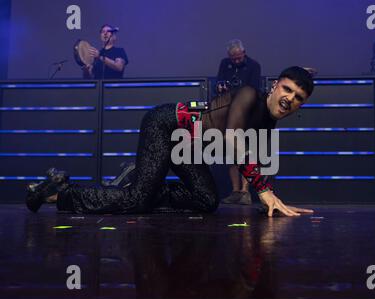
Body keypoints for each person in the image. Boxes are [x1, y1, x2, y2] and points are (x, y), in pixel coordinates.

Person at [26, 66, 315, 218]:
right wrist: (263, 189)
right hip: (166, 126)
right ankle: (59, 192)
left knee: (206, 200)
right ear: (276, 85)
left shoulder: (269, 120)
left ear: (302, 105)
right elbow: (231, 138)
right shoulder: (250, 94)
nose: (289, 99)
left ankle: (141, 180)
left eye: (298, 97)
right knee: (136, 201)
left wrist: (273, 202)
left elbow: (257, 161)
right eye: (287, 89)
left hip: (187, 149)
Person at [216, 39, 262, 205]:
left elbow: (254, 90)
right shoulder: (224, 64)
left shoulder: (254, 66)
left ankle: (245, 192)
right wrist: (220, 87)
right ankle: (235, 191)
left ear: (244, 52)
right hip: (228, 113)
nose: (235, 61)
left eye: (238, 57)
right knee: (231, 154)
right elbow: (218, 83)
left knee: (246, 153)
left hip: (247, 114)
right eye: (232, 58)